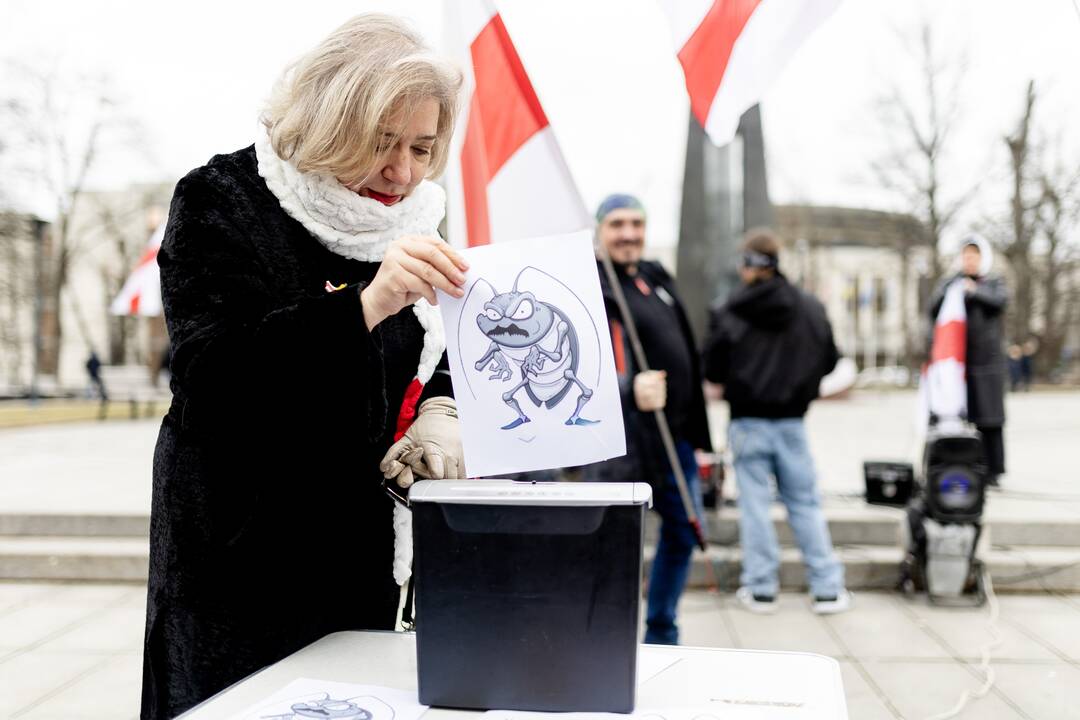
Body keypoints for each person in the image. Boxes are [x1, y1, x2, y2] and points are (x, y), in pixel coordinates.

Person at [141, 16, 467, 719]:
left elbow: (434, 354)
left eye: (421, 147)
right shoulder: (221, 199)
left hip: (360, 561)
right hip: (242, 569)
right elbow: (211, 376)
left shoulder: (417, 219)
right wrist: (367, 302)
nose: (402, 172)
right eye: (381, 143)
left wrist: (444, 411)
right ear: (328, 119)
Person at [582, 194, 713, 645]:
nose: (629, 234)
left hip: (674, 439)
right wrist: (627, 386)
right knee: (615, 544)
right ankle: (606, 640)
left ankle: (661, 631)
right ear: (600, 231)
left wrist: (699, 433)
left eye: (637, 223)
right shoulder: (592, 284)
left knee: (684, 532)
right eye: (617, 224)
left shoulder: (654, 276)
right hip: (623, 443)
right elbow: (583, 365)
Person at [703, 229, 850, 615]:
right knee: (805, 505)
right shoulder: (810, 308)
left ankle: (762, 589)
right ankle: (827, 589)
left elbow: (712, 368)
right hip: (791, 422)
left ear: (749, 265)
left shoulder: (729, 310)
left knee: (754, 507)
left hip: (748, 421)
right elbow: (831, 360)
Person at [928, 235, 1008, 486]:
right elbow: (933, 309)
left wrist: (974, 291)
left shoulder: (993, 282)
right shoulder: (951, 283)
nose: (969, 261)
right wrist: (952, 288)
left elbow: (999, 302)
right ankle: (963, 465)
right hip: (959, 363)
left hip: (987, 364)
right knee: (958, 418)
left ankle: (994, 470)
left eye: (974, 256)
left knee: (990, 420)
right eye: (966, 256)